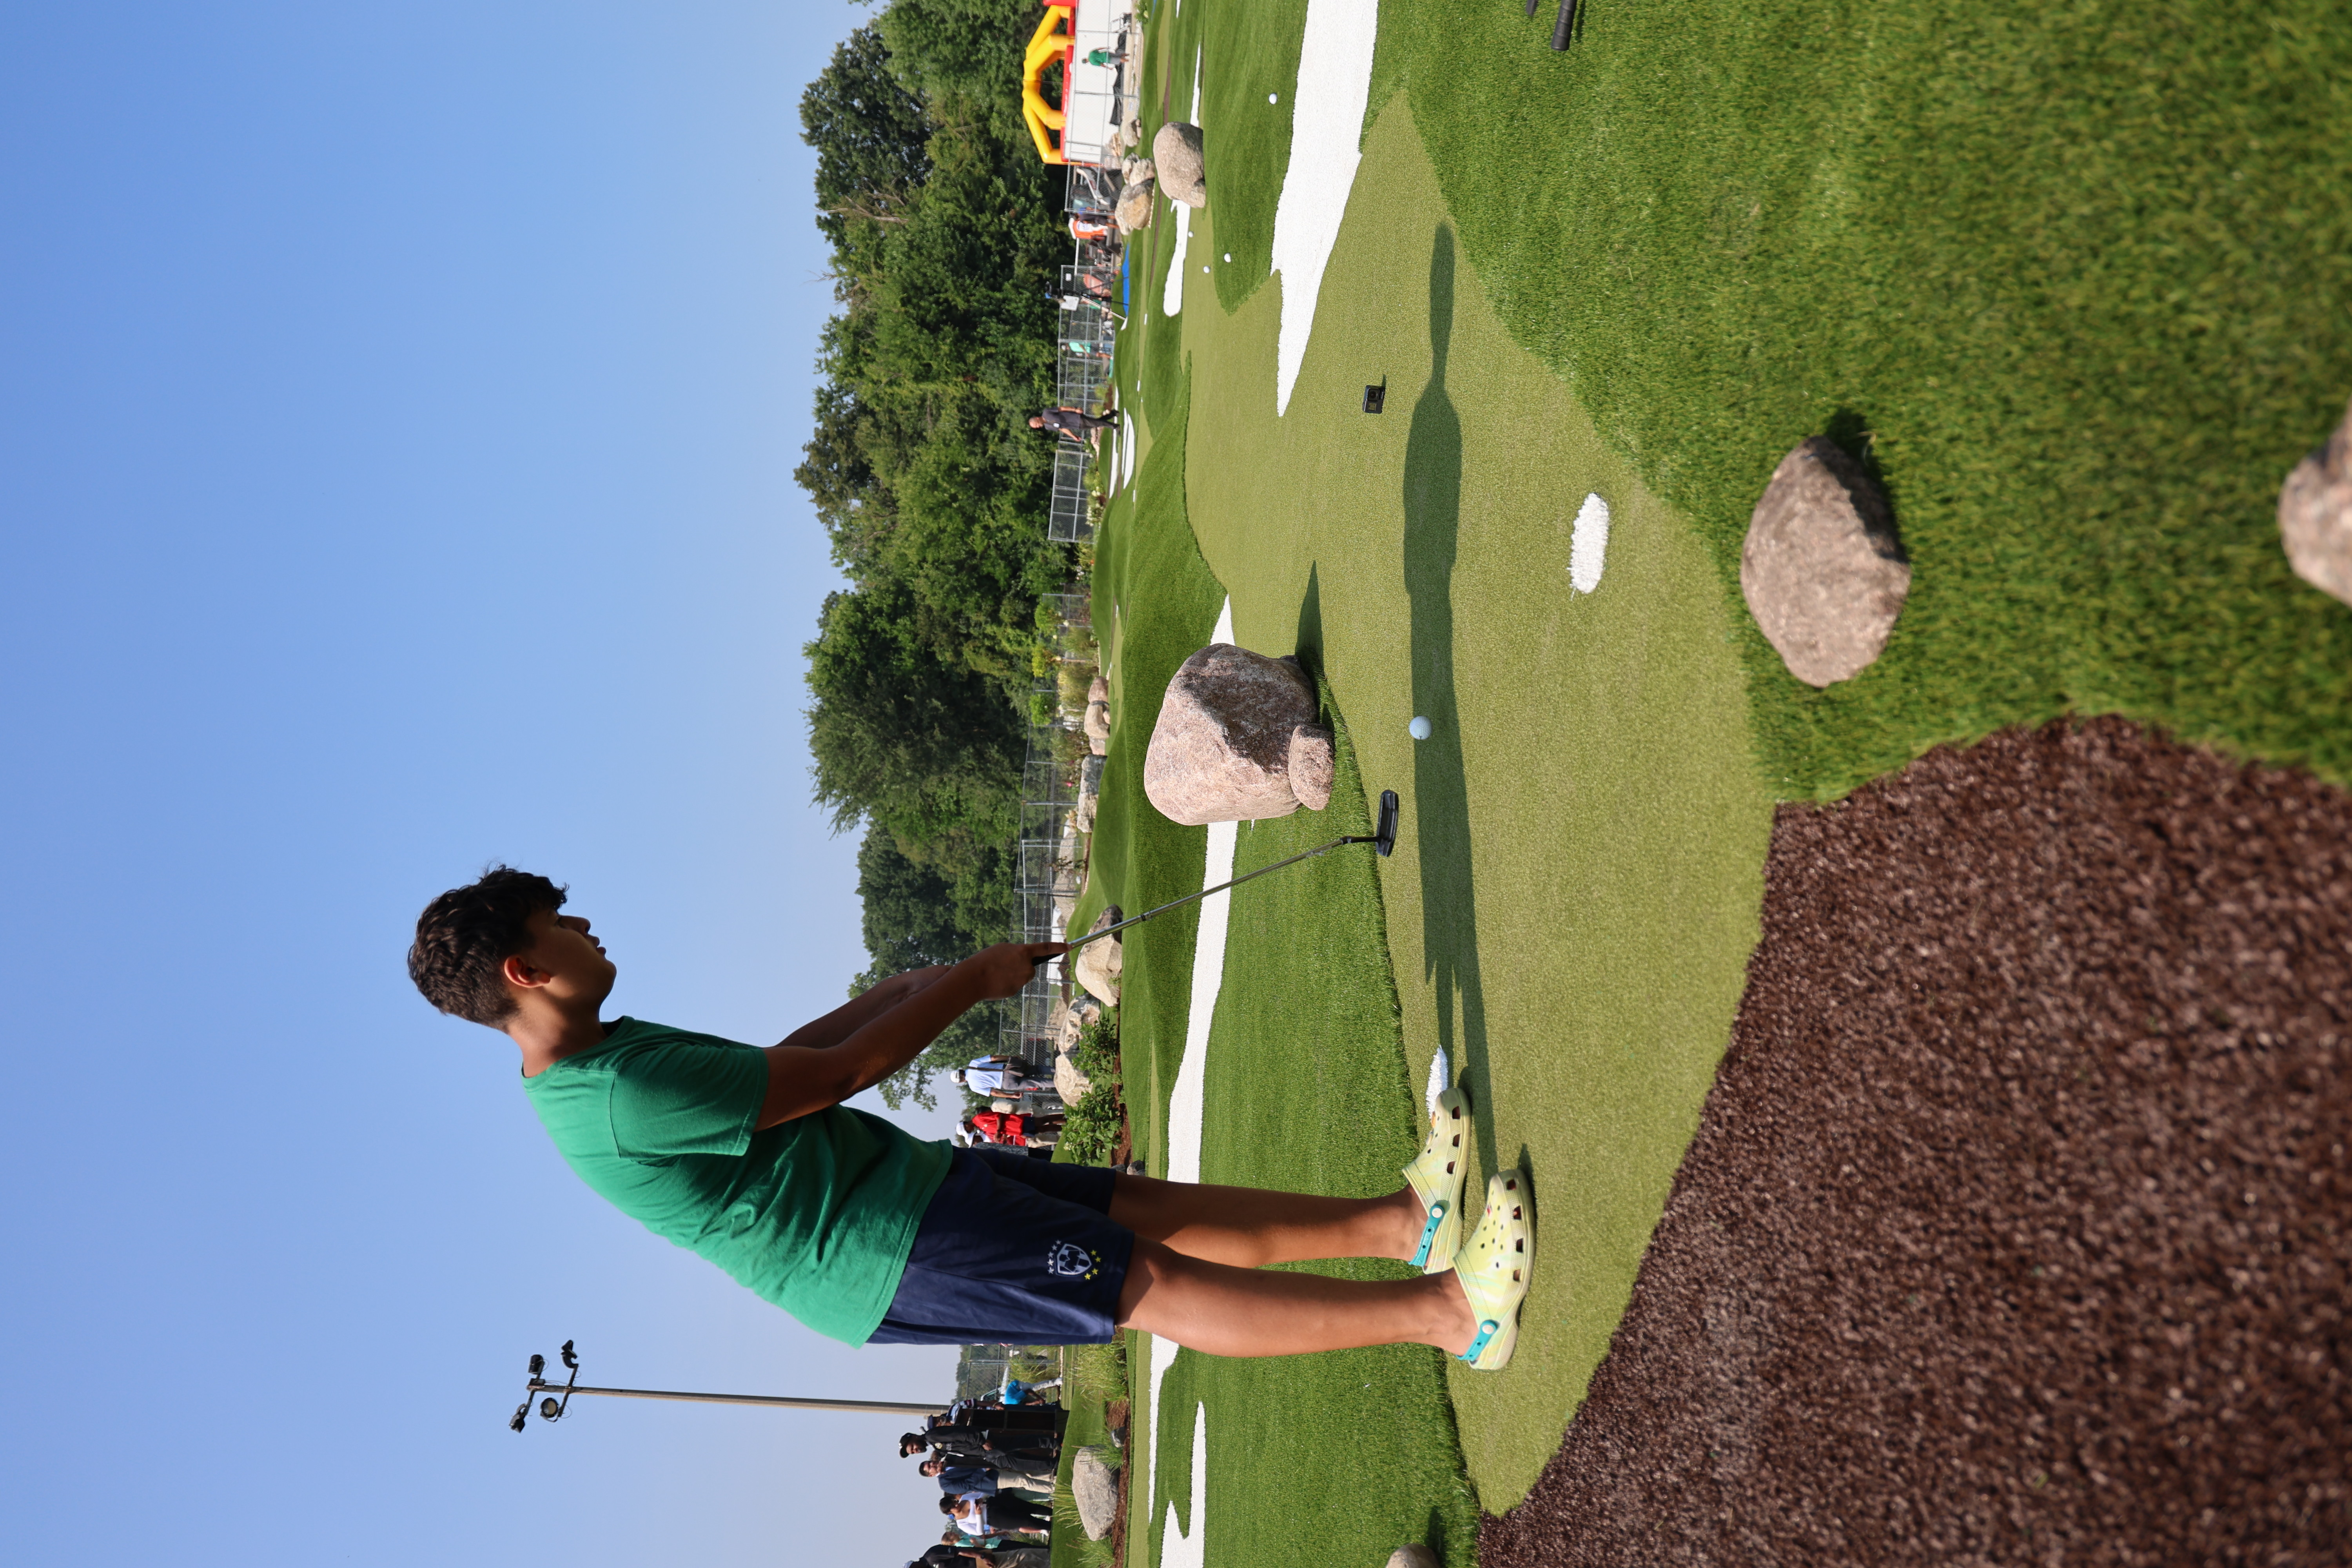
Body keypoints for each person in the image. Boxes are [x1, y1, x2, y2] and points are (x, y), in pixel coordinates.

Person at [407, 868, 1534, 1374]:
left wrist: (915, 982)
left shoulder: (608, 1053)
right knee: (1150, 1288)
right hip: (886, 1254)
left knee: (1152, 1211)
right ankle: (1448, 1316)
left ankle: (1402, 1223)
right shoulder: (617, 1094)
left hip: (903, 1200)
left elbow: (790, 1065)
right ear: (527, 970)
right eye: (565, 926)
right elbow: (844, 1075)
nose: (587, 926)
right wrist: (976, 982)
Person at [955, 1055, 1047, 1096]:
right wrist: (1010, 1058)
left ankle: (1060, 1084)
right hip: (1009, 1070)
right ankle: (1059, 1069)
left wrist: (1011, 1096)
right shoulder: (973, 1064)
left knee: (1039, 1083)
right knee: (1038, 1070)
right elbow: (994, 1058)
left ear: (961, 1082)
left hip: (1006, 1085)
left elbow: (994, 1093)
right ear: (962, 1070)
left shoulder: (974, 1087)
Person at [1028, 408, 1113, 447]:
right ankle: (1112, 414)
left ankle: (1115, 427)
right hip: (1077, 426)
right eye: (1037, 427)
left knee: (1096, 423)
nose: (1038, 426)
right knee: (1096, 424)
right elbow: (1062, 429)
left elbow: (1061, 409)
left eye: (1037, 424)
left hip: (1077, 418)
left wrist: (1075, 410)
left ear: (1037, 419)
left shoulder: (1046, 413)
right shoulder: (1047, 427)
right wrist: (1073, 436)